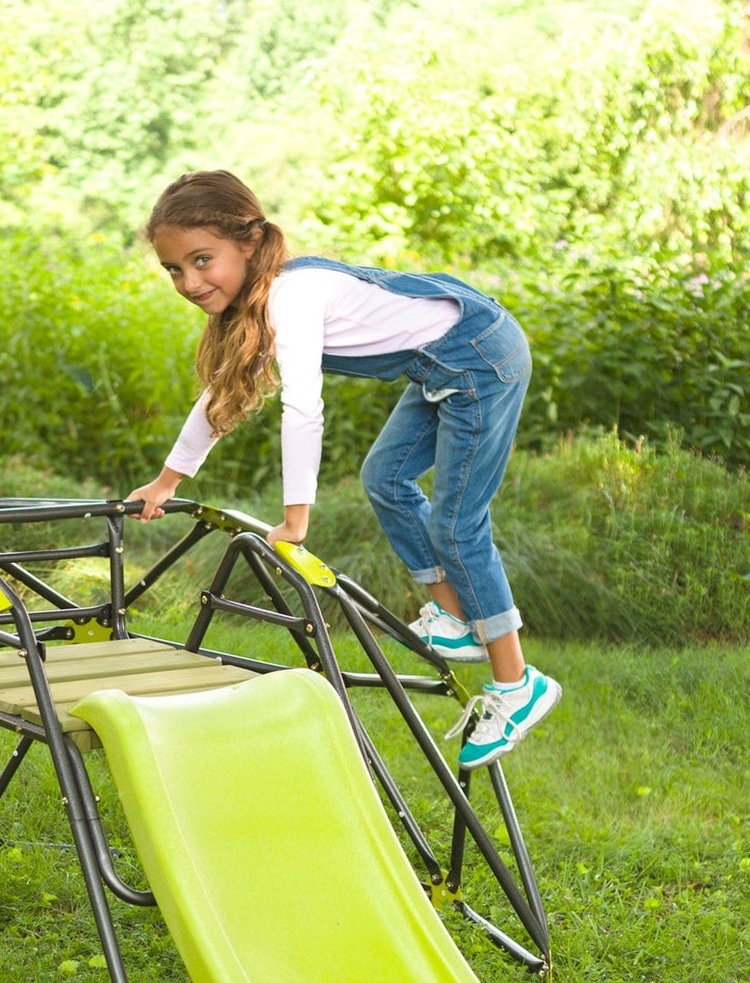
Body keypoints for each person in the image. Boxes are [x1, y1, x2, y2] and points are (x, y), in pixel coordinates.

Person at [128, 170, 560, 770]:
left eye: (202, 260)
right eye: (174, 269)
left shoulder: (290, 296)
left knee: (460, 523)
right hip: (443, 364)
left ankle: (517, 685)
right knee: (385, 478)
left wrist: (293, 520)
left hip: (479, 358)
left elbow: (303, 407)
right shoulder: (256, 303)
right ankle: (457, 617)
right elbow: (222, 395)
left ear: (249, 243)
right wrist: (168, 480)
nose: (189, 281)